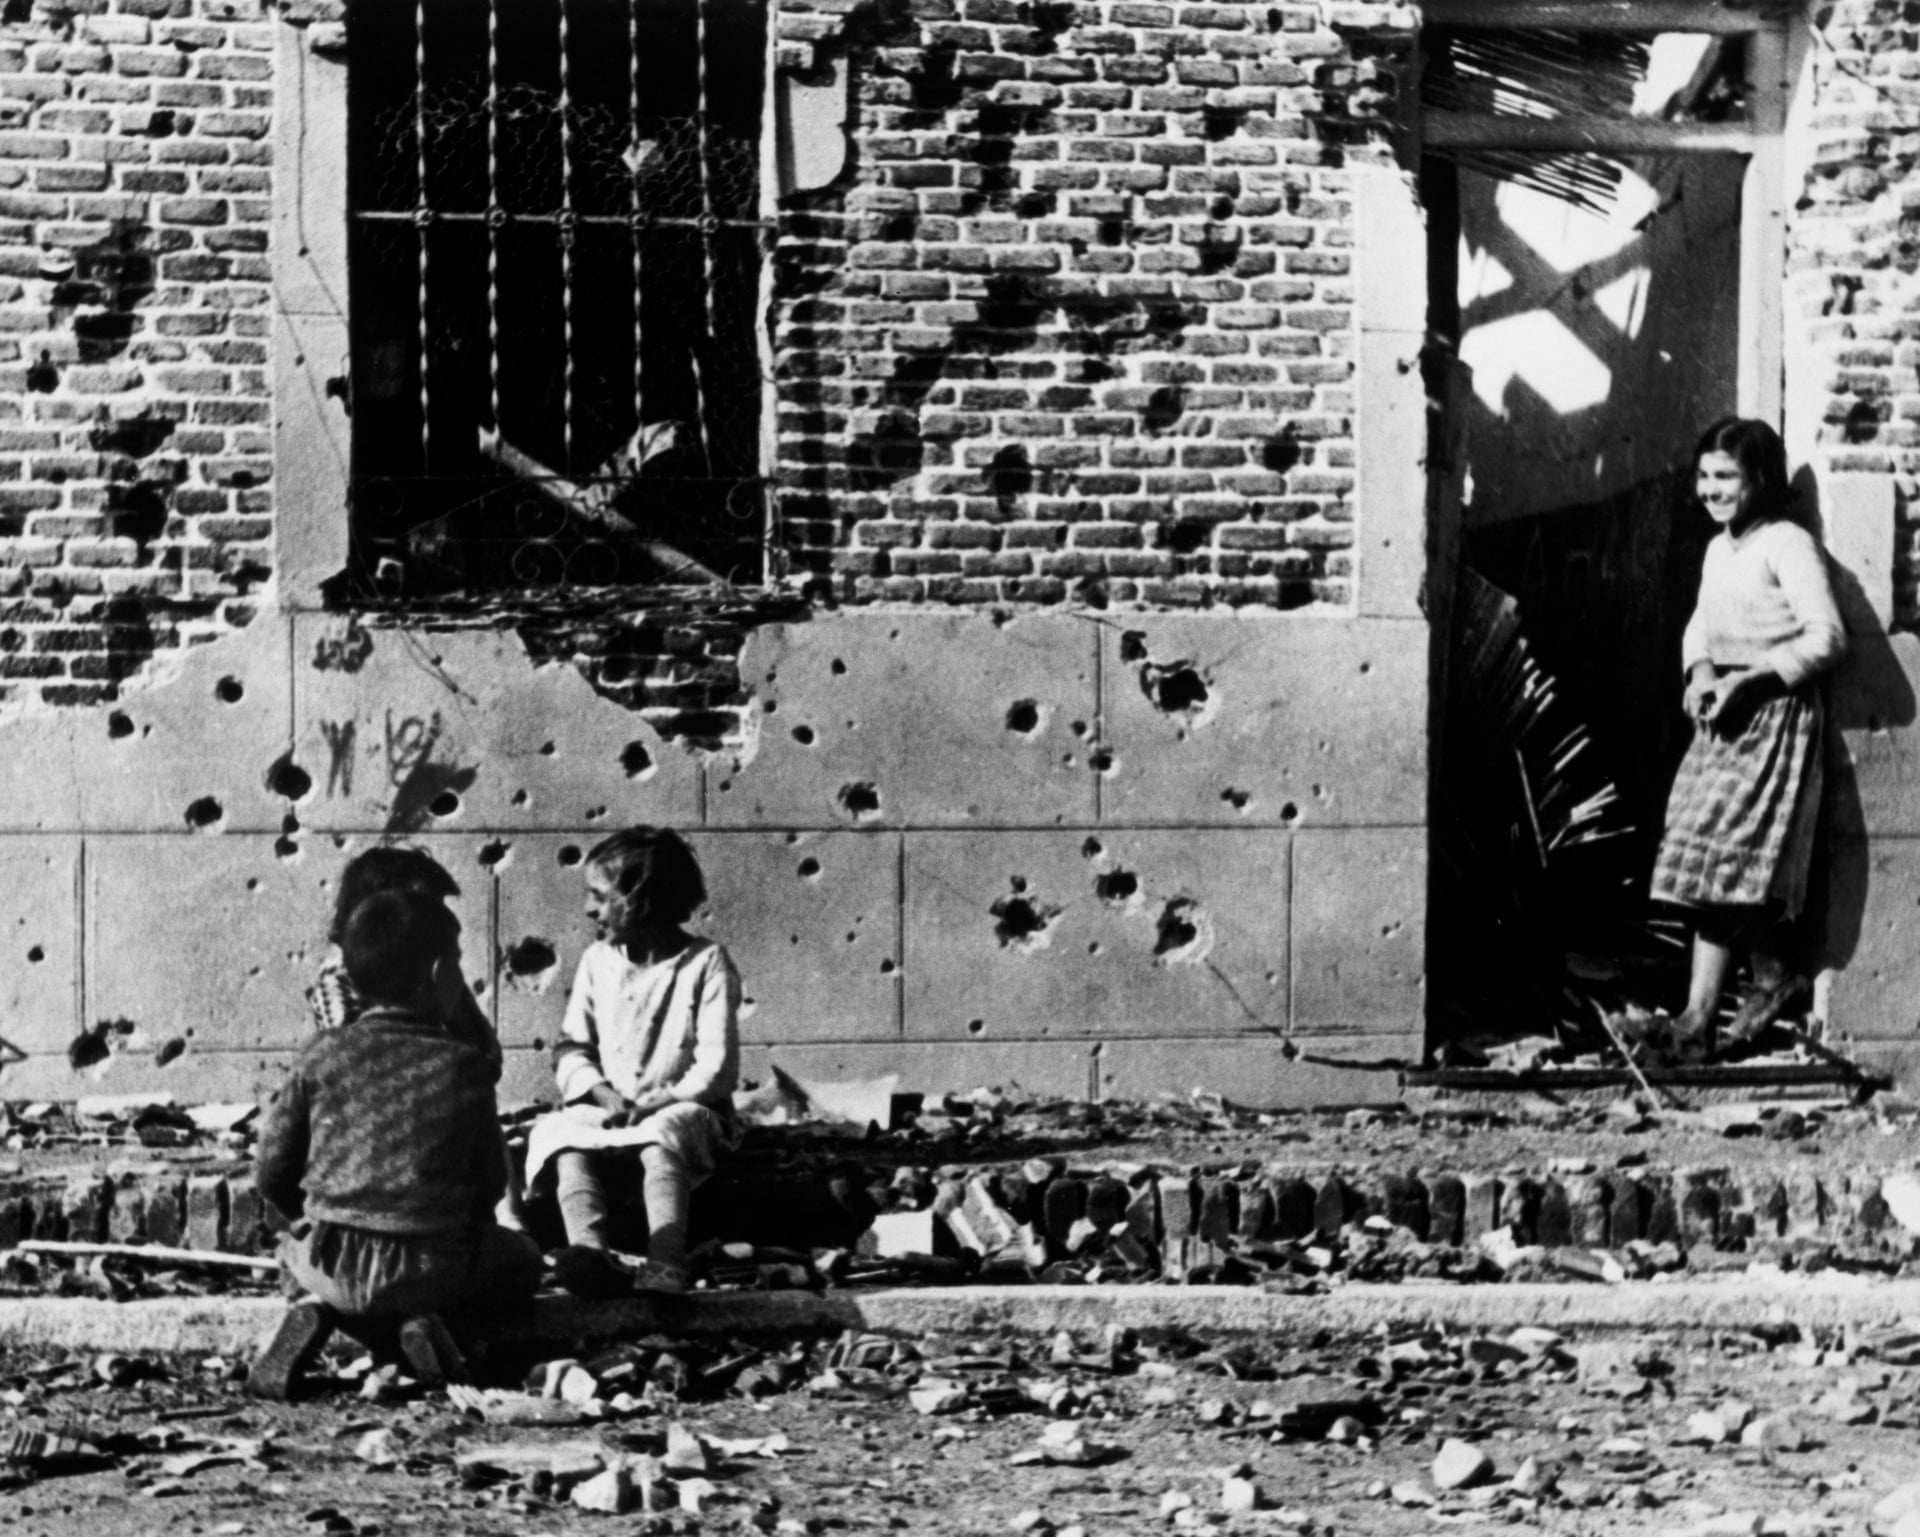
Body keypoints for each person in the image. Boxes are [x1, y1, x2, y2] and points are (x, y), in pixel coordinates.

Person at [248, 888, 542, 1401]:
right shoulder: (465, 1065)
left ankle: (315, 1309)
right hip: (433, 1267)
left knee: (287, 1248)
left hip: (330, 1259)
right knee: (521, 1260)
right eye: (456, 963)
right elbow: (491, 1181)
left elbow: (272, 1168)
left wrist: (299, 1217)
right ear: (435, 974)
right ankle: (424, 1330)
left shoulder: (321, 1053)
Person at [1650, 417, 1847, 1058]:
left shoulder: (1786, 544)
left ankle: (1732, 997)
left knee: (1726, 854)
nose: (1712, 490)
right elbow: (1700, 627)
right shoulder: (1718, 550)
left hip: (1774, 714)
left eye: (1726, 476)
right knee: (1703, 850)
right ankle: (1721, 1003)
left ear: (1759, 478)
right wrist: (1703, 673)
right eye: (1704, 476)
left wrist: (1754, 682)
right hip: (1724, 713)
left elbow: (1827, 637)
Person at [526, 826, 741, 1296]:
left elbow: (716, 1065)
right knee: (558, 1135)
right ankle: (591, 1252)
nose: (588, 909)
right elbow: (572, 1046)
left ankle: (665, 1261)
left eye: (600, 897)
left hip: (686, 1107)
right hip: (613, 1106)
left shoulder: (705, 962)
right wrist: (600, 1092)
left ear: (643, 899)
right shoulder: (597, 961)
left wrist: (662, 1101)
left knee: (665, 1134)